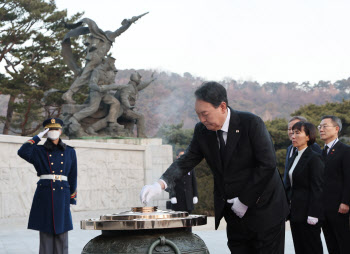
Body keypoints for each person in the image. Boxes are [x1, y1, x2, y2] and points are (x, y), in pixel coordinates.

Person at [140, 81, 289, 254]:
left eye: (205, 114)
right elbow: (187, 160)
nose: (202, 120)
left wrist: (245, 201)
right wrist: (160, 184)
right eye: (198, 115)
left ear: (222, 107)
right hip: (234, 213)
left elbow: (267, 165)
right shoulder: (202, 131)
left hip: (265, 209)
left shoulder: (251, 123)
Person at [17, 118, 77, 254]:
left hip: (62, 193)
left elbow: (73, 176)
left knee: (62, 232)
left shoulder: (70, 152)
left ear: (61, 131)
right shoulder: (38, 151)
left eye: (56, 129)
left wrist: (72, 197)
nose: (53, 132)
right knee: (45, 231)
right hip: (45, 193)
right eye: (50, 129)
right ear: (45, 132)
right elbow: (22, 151)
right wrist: (38, 137)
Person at [284, 121, 324, 254]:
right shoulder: (293, 156)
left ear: (308, 136)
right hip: (295, 213)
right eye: (292, 133)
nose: (293, 136)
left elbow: (317, 188)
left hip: (309, 214)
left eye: (298, 133)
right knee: (299, 248)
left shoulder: (314, 158)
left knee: (312, 248)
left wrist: (313, 214)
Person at [318, 115, 350, 254]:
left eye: (325, 126)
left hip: (339, 207)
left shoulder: (345, 150)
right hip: (324, 208)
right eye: (319, 127)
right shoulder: (321, 152)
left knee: (343, 243)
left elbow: (348, 178)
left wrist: (346, 202)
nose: (321, 129)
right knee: (331, 243)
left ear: (336, 129)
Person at [283, 116, 321, 185]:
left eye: (296, 131)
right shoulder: (290, 148)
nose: (291, 133)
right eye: (290, 129)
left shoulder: (314, 148)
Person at [169, 148, 198, 214]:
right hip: (178, 199)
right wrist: (172, 196)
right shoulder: (173, 168)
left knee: (188, 220)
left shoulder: (191, 167)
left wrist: (195, 195)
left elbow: (194, 182)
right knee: (179, 221)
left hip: (188, 199)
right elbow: (170, 183)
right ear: (177, 157)